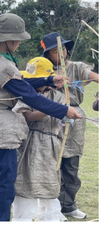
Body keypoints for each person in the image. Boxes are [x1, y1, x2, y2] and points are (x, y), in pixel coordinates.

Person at [0, 13, 82, 222]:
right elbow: (27, 95)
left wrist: (48, 80)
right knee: (6, 182)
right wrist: (64, 110)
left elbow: (20, 84)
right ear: (8, 40)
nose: (19, 43)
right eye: (18, 39)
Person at [41, 32, 99, 219]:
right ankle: (53, 208)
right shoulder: (42, 69)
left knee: (71, 165)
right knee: (52, 164)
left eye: (64, 48)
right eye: (56, 50)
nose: (61, 52)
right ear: (47, 54)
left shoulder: (76, 67)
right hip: (50, 118)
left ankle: (69, 206)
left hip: (74, 120)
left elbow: (93, 75)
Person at [12, 57, 67, 222]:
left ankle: (49, 217)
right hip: (29, 144)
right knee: (25, 183)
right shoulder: (26, 94)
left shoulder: (57, 95)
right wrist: (52, 108)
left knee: (48, 183)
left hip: (50, 146)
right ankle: (23, 218)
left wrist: (63, 115)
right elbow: (28, 116)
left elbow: (62, 119)